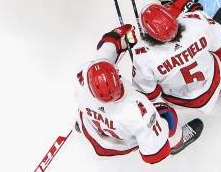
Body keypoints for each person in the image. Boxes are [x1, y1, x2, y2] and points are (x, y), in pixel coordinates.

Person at [74, 26, 202, 163]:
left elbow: (109, 43)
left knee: (90, 112)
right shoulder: (139, 111)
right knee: (167, 114)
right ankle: (177, 142)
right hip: (119, 144)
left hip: (90, 127)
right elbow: (154, 155)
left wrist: (121, 40)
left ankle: (82, 125)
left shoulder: (81, 76)